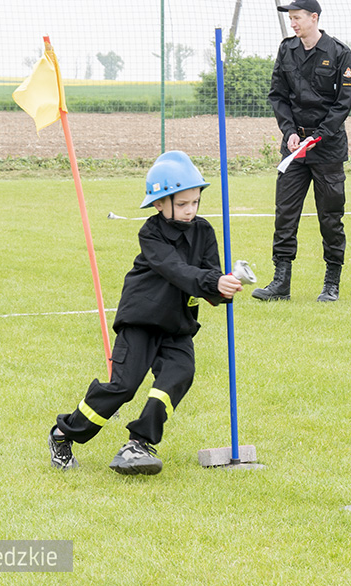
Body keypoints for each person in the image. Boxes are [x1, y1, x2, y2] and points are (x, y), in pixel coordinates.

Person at [48, 151, 244, 475]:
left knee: (179, 374)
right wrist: (210, 280)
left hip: (177, 326)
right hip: (141, 319)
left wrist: (222, 287)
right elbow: (176, 270)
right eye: (182, 204)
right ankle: (63, 433)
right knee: (123, 387)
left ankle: (138, 443)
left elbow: (208, 275)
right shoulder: (150, 233)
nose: (190, 210)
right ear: (159, 204)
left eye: (195, 202)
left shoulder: (205, 232)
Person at [252, 0, 351, 303]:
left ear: (314, 17)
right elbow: (278, 95)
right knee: (285, 214)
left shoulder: (339, 53)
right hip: (294, 148)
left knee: (330, 217)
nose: (293, 23)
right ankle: (280, 283)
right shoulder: (287, 50)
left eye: (297, 18)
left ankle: (331, 283)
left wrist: (320, 135)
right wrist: (290, 132)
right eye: (291, 18)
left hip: (328, 147)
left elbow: (343, 103)